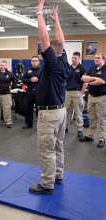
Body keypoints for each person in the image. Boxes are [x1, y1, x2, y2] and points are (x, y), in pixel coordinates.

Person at [29, 0, 70, 195]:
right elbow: (58, 41)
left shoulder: (53, 63)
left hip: (50, 115)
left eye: (45, 51)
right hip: (61, 112)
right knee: (58, 146)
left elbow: (45, 39)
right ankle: (58, 176)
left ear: (51, 53)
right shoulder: (62, 60)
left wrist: (39, 13)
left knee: (46, 149)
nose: (41, 52)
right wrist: (57, 22)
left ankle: (47, 184)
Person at [79, 52, 106, 148]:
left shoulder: (105, 69)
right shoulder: (92, 69)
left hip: (101, 97)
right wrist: (95, 79)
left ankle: (102, 138)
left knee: (102, 118)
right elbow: (83, 78)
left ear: (103, 60)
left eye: (98, 58)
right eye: (95, 58)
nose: (96, 59)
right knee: (91, 117)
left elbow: (102, 81)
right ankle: (90, 136)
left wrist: (91, 80)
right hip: (91, 96)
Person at [65, 52, 88, 137]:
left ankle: (79, 129)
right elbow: (66, 81)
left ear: (79, 59)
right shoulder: (68, 68)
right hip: (68, 93)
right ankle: (65, 127)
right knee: (66, 112)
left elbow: (86, 82)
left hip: (77, 92)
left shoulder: (83, 69)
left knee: (78, 112)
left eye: (75, 58)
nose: (73, 59)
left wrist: (81, 92)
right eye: (72, 57)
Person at [22, 56, 42, 129]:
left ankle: (40, 124)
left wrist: (38, 80)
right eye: (33, 61)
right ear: (31, 62)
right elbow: (23, 79)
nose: (34, 62)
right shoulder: (28, 70)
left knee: (39, 108)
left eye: (36, 60)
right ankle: (28, 123)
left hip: (39, 91)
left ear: (38, 62)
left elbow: (46, 80)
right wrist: (30, 80)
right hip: (30, 91)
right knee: (28, 107)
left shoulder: (42, 70)